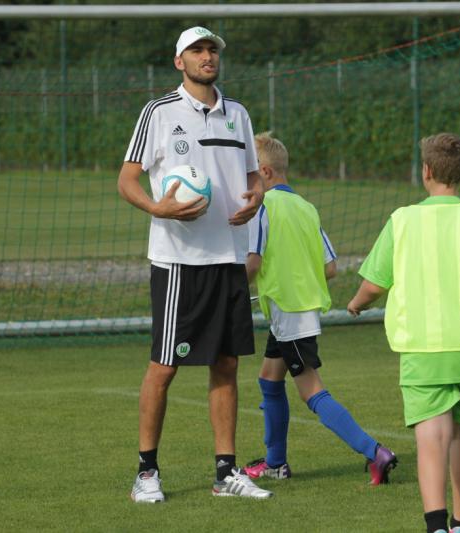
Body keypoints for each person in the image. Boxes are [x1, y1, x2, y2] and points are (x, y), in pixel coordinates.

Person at [118, 26, 272, 503]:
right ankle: (146, 473)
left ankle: (226, 472)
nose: (208, 57)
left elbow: (252, 177)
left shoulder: (238, 114)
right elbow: (127, 180)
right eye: (197, 50)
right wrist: (157, 208)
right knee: (164, 367)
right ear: (179, 61)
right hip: (180, 262)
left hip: (229, 256)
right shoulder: (159, 112)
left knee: (226, 364)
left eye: (212, 50)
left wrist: (256, 198)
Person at [347, 133, 460, 533]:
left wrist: (357, 303)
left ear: (426, 171)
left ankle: (435, 526)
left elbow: (374, 284)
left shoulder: (402, 220)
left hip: (421, 347)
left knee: (432, 436)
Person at [242, 132, 398, 485]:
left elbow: (253, 263)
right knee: (269, 378)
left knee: (310, 390)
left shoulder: (263, 207)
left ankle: (375, 451)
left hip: (289, 312)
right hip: (294, 311)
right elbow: (330, 268)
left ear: (264, 171)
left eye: (250, 172)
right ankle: (275, 463)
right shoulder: (306, 208)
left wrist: (228, 292)